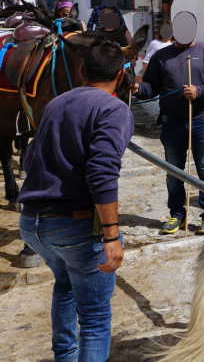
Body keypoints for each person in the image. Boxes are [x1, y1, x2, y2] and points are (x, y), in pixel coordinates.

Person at [17, 39, 134, 362]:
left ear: (82, 71)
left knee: (66, 285)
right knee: (95, 319)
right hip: (77, 227)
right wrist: (111, 234)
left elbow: (29, 159)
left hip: (33, 225)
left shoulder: (55, 104)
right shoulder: (113, 109)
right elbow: (102, 173)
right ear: (121, 76)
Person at [136, 11, 204, 235]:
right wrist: (137, 89)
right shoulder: (162, 56)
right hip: (172, 121)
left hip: (202, 119)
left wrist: (200, 91)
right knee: (173, 171)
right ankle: (177, 214)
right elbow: (150, 87)